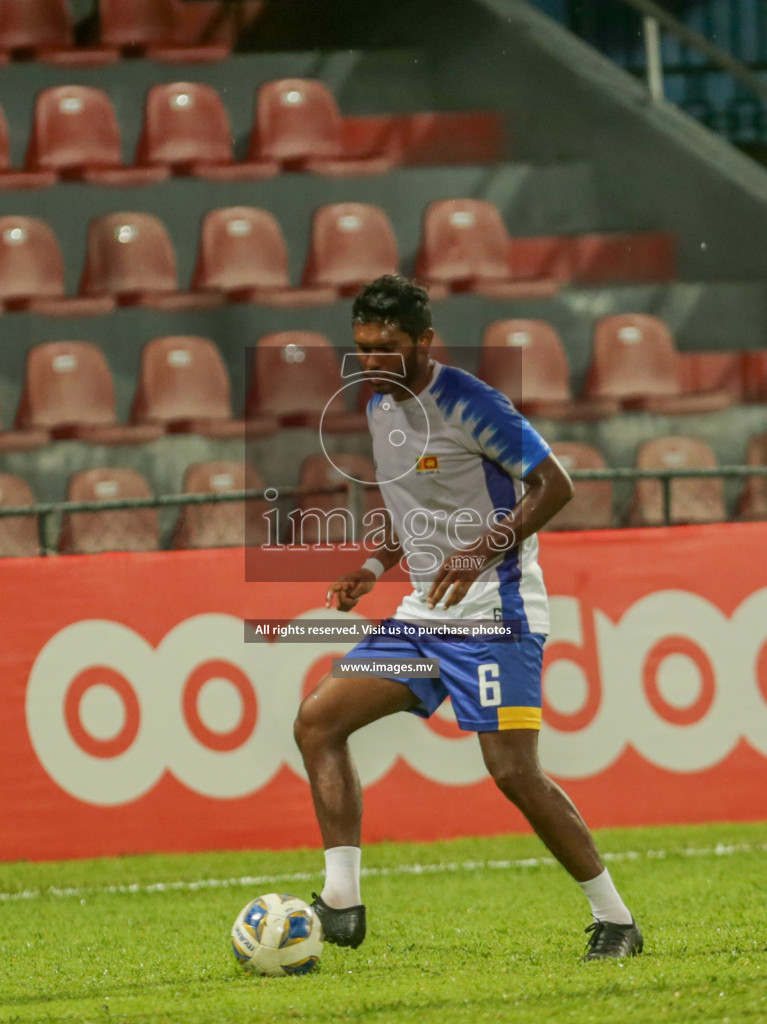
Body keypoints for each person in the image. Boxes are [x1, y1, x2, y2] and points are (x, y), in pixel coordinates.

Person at [293, 274, 642, 961]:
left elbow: (555, 485)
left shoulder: (470, 402)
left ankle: (616, 919)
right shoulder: (376, 406)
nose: (373, 362)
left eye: (388, 347)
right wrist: (370, 568)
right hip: (425, 616)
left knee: (513, 771)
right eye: (362, 348)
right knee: (317, 721)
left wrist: (482, 548)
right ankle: (341, 901)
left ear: (424, 341)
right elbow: (412, 505)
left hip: (495, 613)